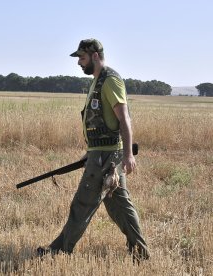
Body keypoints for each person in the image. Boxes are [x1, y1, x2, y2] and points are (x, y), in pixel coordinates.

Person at [37, 39, 149, 262]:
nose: (79, 62)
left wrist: (127, 154)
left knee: (82, 204)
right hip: (101, 154)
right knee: (120, 206)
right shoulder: (97, 81)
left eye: (82, 57)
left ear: (95, 55)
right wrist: (91, 151)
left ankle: (60, 250)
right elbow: (99, 122)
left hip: (106, 158)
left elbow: (124, 119)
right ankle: (140, 252)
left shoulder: (110, 80)